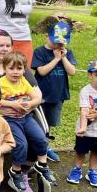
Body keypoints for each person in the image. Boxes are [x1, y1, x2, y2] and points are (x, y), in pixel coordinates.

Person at [0, 51, 54, 192]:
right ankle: (15, 172)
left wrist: (30, 104)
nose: (16, 72)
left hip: (25, 116)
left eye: (19, 68)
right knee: (21, 144)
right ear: (4, 69)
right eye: (11, 68)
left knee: (41, 138)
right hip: (8, 119)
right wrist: (13, 104)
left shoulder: (23, 81)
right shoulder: (1, 83)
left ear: (24, 70)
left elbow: (36, 98)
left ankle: (42, 165)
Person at [32, 22, 77, 162]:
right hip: (41, 95)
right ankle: (36, 147)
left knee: (49, 123)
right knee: (38, 122)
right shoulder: (40, 52)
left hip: (58, 95)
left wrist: (63, 57)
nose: (58, 45)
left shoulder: (67, 52)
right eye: (55, 41)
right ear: (47, 36)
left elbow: (72, 72)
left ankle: (46, 146)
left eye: (62, 42)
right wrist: (56, 58)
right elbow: (41, 71)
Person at [67, 60, 97, 188]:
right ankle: (77, 169)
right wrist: (83, 128)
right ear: (90, 75)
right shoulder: (86, 91)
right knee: (81, 150)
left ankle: (93, 171)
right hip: (87, 129)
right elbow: (84, 110)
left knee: (96, 152)